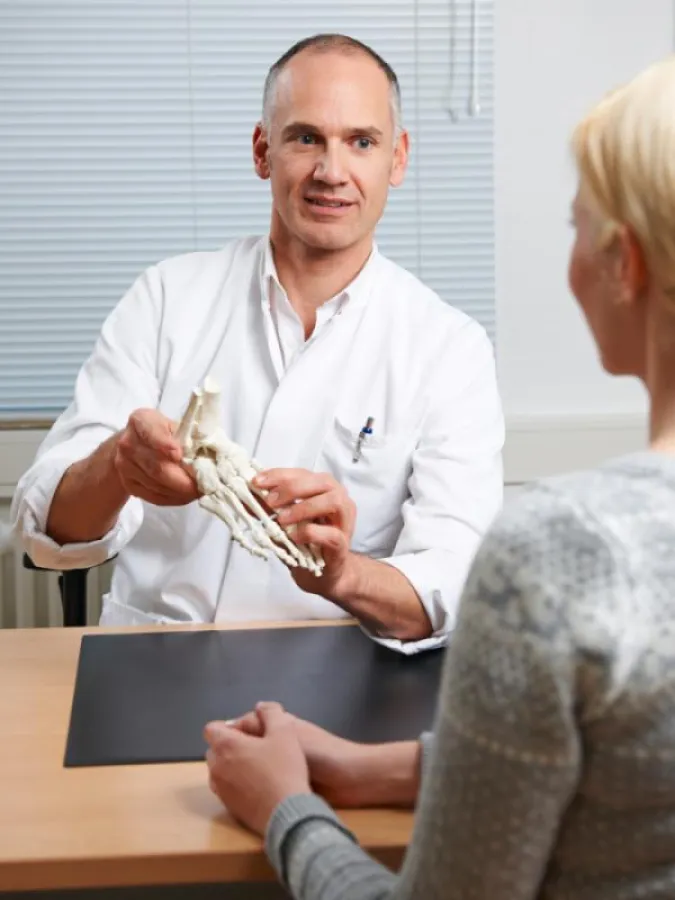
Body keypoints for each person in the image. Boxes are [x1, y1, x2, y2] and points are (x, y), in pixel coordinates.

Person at [204, 55, 675, 897]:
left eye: (574, 223)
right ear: (264, 150)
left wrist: (287, 808)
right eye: (307, 138)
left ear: (624, 263)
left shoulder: (559, 553)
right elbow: (630, 764)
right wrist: (367, 770)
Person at [10, 33, 504, 651]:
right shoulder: (167, 297)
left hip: (337, 680)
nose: (331, 171)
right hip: (153, 663)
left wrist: (343, 574)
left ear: (397, 159)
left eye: (361, 142)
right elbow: (44, 533)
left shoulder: (449, 348)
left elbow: (455, 586)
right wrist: (119, 465)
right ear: (261, 149)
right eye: (305, 138)